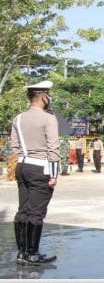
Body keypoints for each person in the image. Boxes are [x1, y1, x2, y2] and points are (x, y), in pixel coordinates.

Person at [8, 80, 60, 265]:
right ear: (44, 97)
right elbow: (53, 148)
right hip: (40, 167)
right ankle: (32, 253)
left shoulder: (18, 118)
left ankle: (22, 252)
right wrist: (54, 175)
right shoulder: (48, 118)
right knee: (37, 212)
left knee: (23, 210)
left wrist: (13, 170)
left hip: (22, 165)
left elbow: (13, 146)